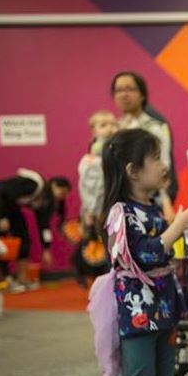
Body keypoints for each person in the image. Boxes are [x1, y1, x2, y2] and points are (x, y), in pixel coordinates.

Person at [99, 128, 188, 376]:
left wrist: (175, 226)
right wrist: (176, 228)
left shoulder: (152, 207)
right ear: (132, 170)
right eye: (155, 158)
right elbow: (144, 254)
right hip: (138, 312)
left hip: (164, 308)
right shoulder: (121, 213)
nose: (162, 165)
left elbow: (164, 252)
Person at [0, 170, 71, 291]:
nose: (61, 197)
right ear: (53, 185)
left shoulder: (44, 202)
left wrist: (46, 248)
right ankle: (5, 279)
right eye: (62, 192)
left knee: (23, 238)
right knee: (1, 242)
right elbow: (2, 191)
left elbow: (44, 225)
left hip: (12, 207)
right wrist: (0, 217)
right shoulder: (34, 185)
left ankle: (21, 278)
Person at [112, 71, 176, 202]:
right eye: (118, 90)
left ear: (142, 95)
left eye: (129, 89)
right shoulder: (112, 129)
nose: (124, 94)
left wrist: (164, 201)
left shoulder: (154, 127)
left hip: (148, 201)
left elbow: (163, 166)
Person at [75, 110, 118, 284]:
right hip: (99, 209)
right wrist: (90, 210)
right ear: (93, 130)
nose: (109, 128)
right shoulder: (92, 159)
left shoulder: (115, 150)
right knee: (101, 245)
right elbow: (89, 187)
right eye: (103, 125)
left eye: (112, 124)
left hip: (114, 206)